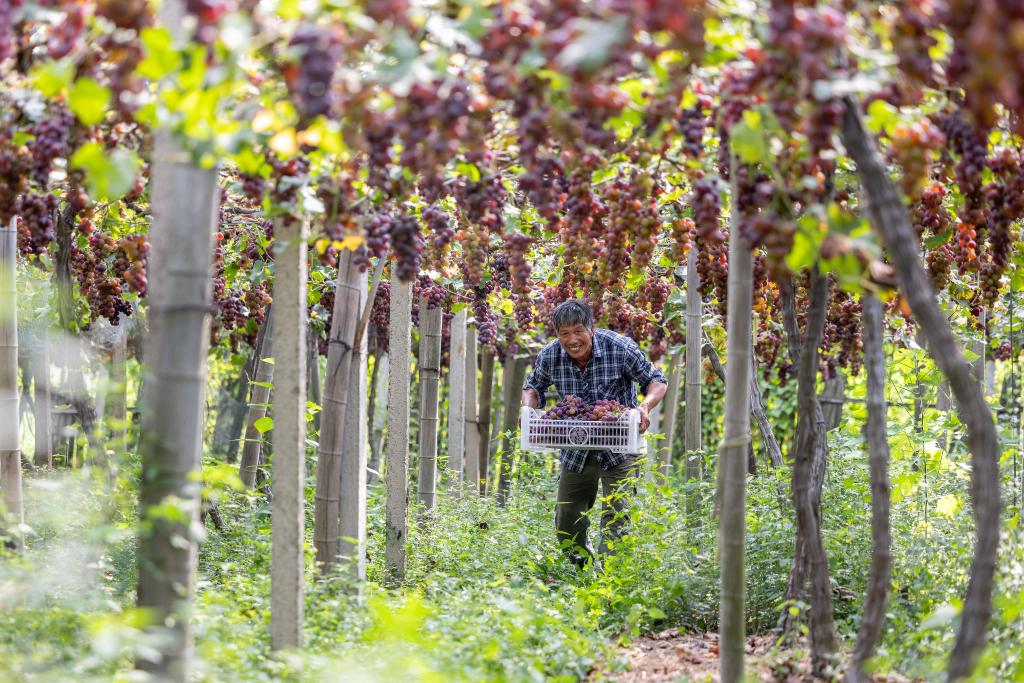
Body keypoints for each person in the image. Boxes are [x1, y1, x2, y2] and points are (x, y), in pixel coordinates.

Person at [522, 299, 668, 568]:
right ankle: (583, 570)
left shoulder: (619, 347)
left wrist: (644, 407)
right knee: (567, 516)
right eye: (564, 333)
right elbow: (533, 387)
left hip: (620, 446)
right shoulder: (550, 355)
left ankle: (610, 583)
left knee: (617, 517)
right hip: (576, 448)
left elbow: (656, 380)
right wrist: (527, 410)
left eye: (578, 331)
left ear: (591, 329)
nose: (572, 339)